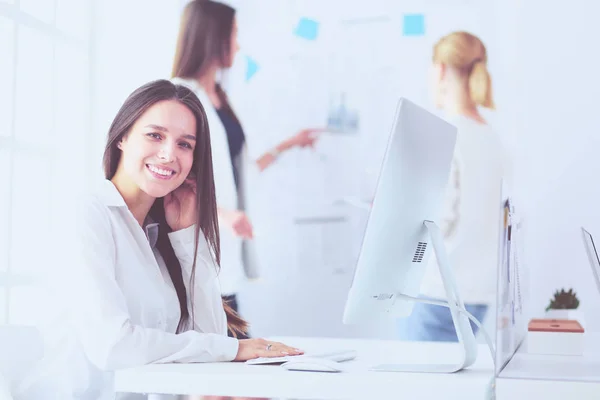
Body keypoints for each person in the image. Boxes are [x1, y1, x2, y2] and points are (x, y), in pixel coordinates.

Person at [15, 79, 302, 400]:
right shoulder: (87, 213)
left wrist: (186, 235)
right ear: (122, 136)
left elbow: (210, 336)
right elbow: (113, 346)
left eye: (185, 144)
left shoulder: (158, 234)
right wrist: (235, 348)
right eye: (155, 135)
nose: (168, 154)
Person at [171, 0, 322, 336]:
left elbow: (241, 170)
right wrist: (223, 215)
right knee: (222, 359)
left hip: (226, 252)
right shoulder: (180, 97)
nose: (238, 45)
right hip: (199, 245)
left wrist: (289, 144)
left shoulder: (221, 99)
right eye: (234, 34)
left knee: (231, 351)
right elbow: (172, 176)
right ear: (214, 35)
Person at [398, 31, 512, 342]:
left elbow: (437, 220)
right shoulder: (493, 139)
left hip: (437, 293)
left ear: (440, 70)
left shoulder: (447, 134)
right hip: (478, 294)